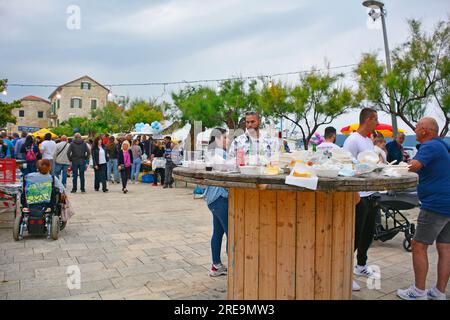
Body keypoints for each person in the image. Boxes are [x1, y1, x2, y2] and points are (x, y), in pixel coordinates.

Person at [397, 117, 450, 300]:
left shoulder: (429, 146)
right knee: (445, 249)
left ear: (425, 131)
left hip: (436, 204)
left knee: (418, 245)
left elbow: (414, 166)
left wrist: (393, 169)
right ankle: (439, 292)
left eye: (417, 127)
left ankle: (418, 291)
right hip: (448, 203)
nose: (415, 130)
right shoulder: (441, 145)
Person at [343, 107, 380, 291]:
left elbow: (369, 165)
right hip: (359, 195)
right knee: (355, 236)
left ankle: (361, 266)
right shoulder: (352, 140)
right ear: (367, 120)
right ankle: (345, 273)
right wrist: (354, 193)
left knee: (368, 234)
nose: (377, 123)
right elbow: (345, 166)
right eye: (375, 120)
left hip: (371, 193)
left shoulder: (368, 140)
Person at [204, 128, 229, 277]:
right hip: (221, 198)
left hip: (212, 200)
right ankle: (235, 265)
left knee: (218, 232)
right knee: (231, 233)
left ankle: (216, 265)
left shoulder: (211, 153)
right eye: (225, 138)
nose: (228, 141)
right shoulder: (220, 154)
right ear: (218, 139)